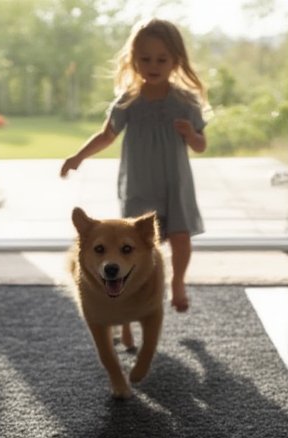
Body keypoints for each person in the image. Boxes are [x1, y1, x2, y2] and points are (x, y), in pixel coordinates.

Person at [60, 18, 208, 319]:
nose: (153, 65)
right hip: (139, 185)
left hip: (174, 184)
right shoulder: (128, 102)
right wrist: (78, 157)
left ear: (175, 61)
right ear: (133, 60)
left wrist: (191, 135)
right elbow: (106, 136)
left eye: (161, 59)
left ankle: (177, 282)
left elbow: (201, 145)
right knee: (136, 247)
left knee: (180, 238)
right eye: (145, 59)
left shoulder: (185, 102)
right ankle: (131, 297)